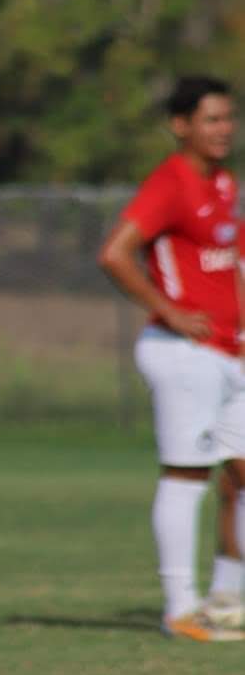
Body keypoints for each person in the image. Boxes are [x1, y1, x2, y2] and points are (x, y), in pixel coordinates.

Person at [98, 76, 245, 640]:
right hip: (184, 353)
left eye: (228, 117)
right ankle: (181, 610)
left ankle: (226, 598)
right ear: (181, 125)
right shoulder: (172, 182)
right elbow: (115, 254)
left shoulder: (224, 183)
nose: (224, 129)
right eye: (211, 119)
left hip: (228, 350)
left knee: (240, 476)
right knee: (187, 476)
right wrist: (171, 311)